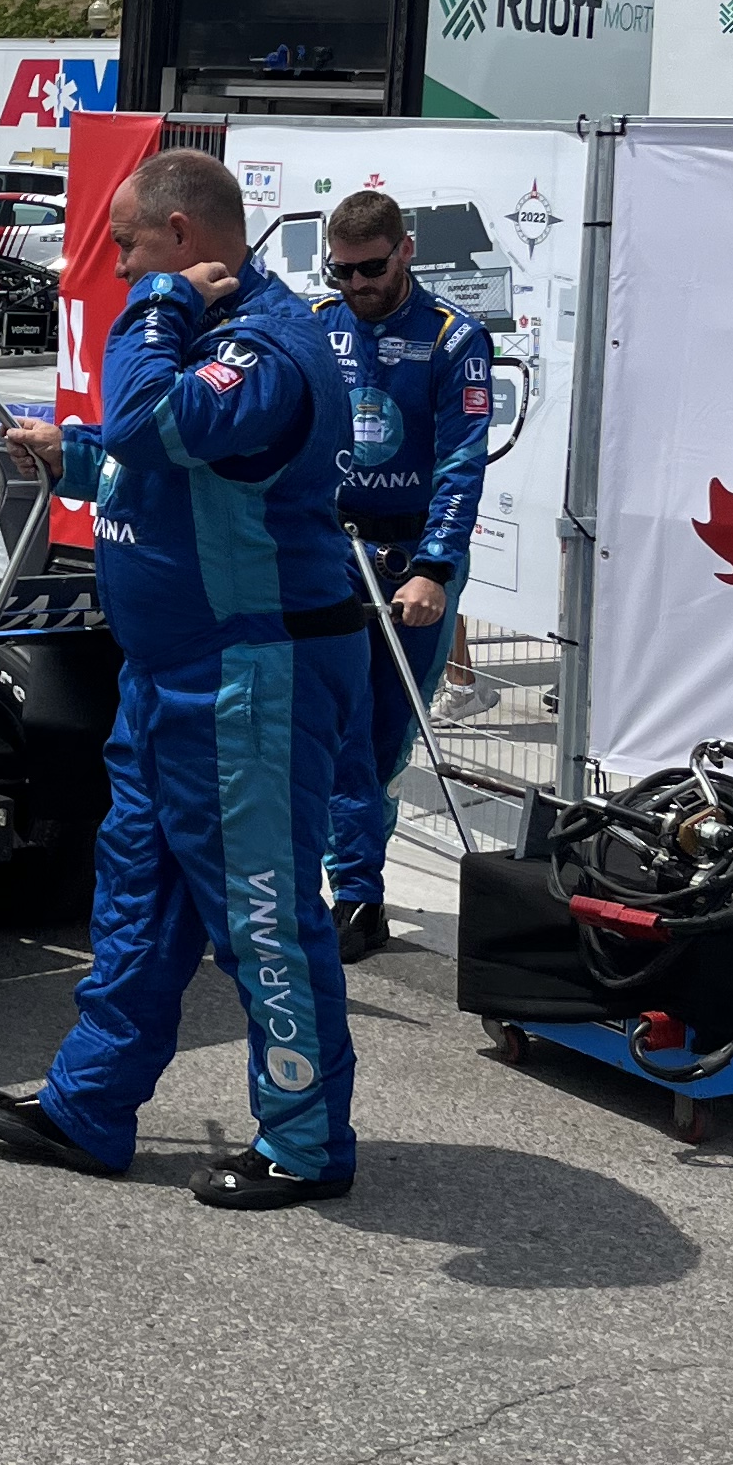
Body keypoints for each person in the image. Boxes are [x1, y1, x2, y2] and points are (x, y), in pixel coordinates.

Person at [0, 146, 366, 1210]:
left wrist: (155, 306)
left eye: (131, 249)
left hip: (251, 675)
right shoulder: (201, 333)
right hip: (168, 676)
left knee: (263, 913)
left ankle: (305, 1140)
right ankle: (88, 1106)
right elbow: (157, 461)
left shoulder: (264, 346)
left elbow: (158, 422)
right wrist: (71, 454)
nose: (120, 270)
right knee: (137, 898)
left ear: (182, 237)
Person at [313, 188, 496, 964]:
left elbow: (462, 463)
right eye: (343, 271)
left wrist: (433, 568)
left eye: (371, 269)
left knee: (385, 733)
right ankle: (348, 890)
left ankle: (360, 891)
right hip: (328, 554)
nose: (357, 285)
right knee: (334, 727)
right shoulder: (318, 325)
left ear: (406, 251)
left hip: (408, 562)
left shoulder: (454, 337)